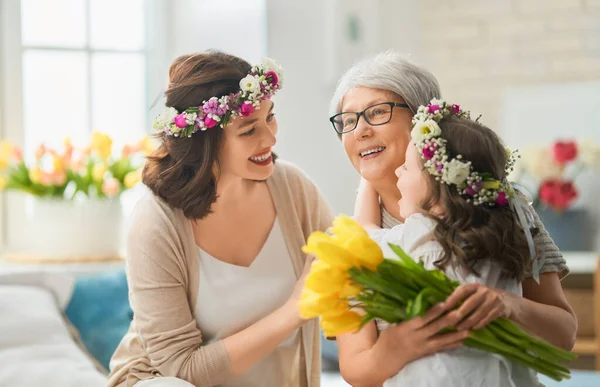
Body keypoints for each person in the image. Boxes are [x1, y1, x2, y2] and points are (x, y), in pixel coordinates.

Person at [329, 50, 577, 386]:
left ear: (423, 123)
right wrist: (396, 347)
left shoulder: (503, 209)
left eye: (376, 112)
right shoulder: (347, 243)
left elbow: (563, 337)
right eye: (347, 120)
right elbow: (356, 368)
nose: (359, 132)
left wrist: (506, 305)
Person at [107, 51, 333, 387]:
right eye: (248, 130)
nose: (270, 139)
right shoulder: (156, 224)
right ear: (205, 143)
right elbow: (180, 369)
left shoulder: (293, 189)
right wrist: (293, 313)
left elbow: (345, 270)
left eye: (270, 117)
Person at [345, 100, 539, 386]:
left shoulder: (421, 235)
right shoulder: (508, 229)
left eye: (407, 168)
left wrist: (368, 175)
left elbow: (364, 233)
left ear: (439, 191)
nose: (398, 172)